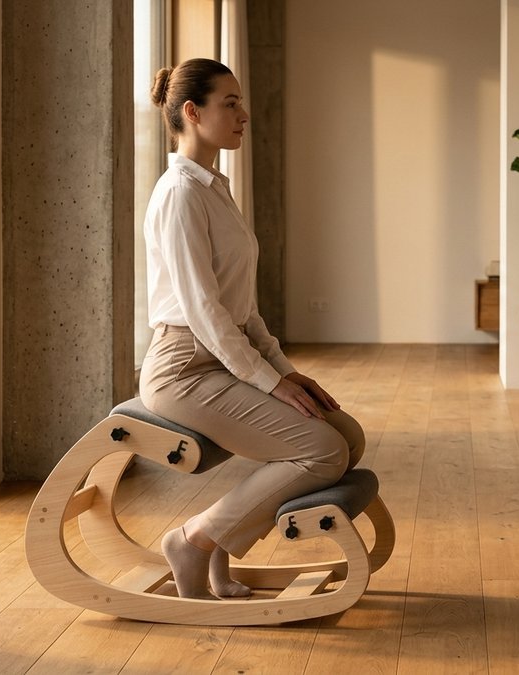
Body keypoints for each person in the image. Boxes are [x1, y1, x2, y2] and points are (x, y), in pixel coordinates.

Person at [140, 58, 364, 600]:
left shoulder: (215, 187)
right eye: (230, 103)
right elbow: (202, 311)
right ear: (192, 113)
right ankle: (194, 541)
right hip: (183, 369)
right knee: (323, 451)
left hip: (222, 356)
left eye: (241, 101)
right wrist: (268, 382)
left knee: (346, 436)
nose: (244, 114)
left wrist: (287, 372)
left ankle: (217, 544)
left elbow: (243, 309)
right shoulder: (180, 194)